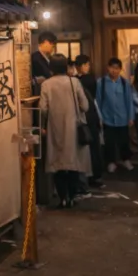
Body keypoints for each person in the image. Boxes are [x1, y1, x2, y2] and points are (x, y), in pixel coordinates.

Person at [40, 54, 91, 208]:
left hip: (55, 129)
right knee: (73, 164)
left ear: (51, 68)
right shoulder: (74, 82)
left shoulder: (46, 84)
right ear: (66, 67)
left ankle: (63, 198)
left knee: (58, 165)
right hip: (73, 129)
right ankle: (73, 197)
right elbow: (85, 106)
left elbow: (43, 109)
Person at [96, 58, 134, 173]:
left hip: (123, 118)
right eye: (112, 68)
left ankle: (126, 160)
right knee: (109, 142)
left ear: (120, 69)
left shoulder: (125, 83)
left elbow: (129, 101)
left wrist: (131, 117)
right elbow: (98, 101)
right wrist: (100, 117)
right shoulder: (101, 82)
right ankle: (111, 162)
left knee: (124, 141)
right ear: (108, 68)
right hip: (107, 118)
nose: (114, 70)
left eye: (117, 68)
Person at [75, 54, 104, 188]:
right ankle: (93, 176)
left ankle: (92, 176)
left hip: (87, 116)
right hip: (91, 115)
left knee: (90, 147)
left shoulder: (87, 79)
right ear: (80, 66)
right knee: (93, 146)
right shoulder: (84, 79)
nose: (88, 67)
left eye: (88, 65)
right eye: (86, 65)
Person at [31, 32, 57, 97]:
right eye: (52, 45)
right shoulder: (35, 58)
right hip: (39, 94)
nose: (53, 47)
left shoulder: (50, 58)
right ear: (46, 42)